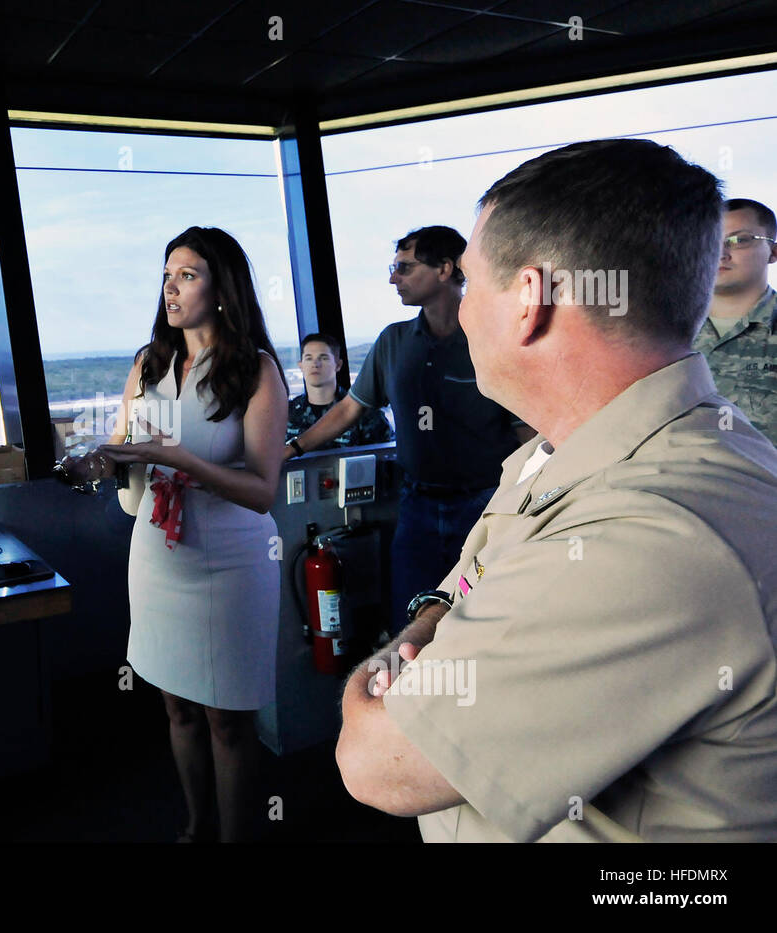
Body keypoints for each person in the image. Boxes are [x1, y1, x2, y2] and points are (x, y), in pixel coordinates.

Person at [337, 139, 777, 842]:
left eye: (473, 285)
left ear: (529, 300)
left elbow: (375, 760)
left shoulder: (648, 530)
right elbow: (455, 593)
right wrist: (432, 618)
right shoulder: (562, 452)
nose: (465, 310)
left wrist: (395, 667)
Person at [61, 227, 288, 843]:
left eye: (187, 275)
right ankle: (195, 824)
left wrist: (185, 460)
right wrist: (98, 461)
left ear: (223, 288)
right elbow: (130, 449)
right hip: (159, 556)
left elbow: (264, 490)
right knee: (178, 706)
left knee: (227, 720)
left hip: (231, 562)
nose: (171, 287)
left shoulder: (255, 370)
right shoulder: (150, 363)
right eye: (167, 275)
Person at [285, 226, 533, 636]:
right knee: (410, 621)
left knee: (486, 621)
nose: (392, 278)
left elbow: (526, 428)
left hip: (485, 507)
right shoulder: (394, 342)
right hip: (417, 507)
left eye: (404, 268)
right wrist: (293, 449)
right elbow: (349, 408)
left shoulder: (492, 339)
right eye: (392, 268)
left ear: (444, 270)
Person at [692, 197, 777, 445]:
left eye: (739, 240)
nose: (721, 253)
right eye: (710, 241)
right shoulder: (663, 330)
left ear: (773, 252)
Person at [286, 332, 392, 449]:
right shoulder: (286, 414)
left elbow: (385, 457)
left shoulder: (363, 413)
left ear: (338, 365)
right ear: (301, 366)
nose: (315, 364)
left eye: (324, 358)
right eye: (309, 358)